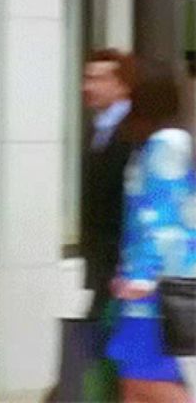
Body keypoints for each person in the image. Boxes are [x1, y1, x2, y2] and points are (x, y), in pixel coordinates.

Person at [105, 59, 196, 402]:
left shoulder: (166, 143)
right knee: (133, 388)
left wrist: (141, 276)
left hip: (153, 297)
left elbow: (161, 217)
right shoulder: (155, 142)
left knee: (147, 384)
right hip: (144, 292)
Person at [81, 49, 136, 319]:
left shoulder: (135, 131)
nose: (88, 86)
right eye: (87, 78)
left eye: (98, 79)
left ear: (122, 85)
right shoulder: (98, 130)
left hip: (124, 266)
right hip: (104, 264)